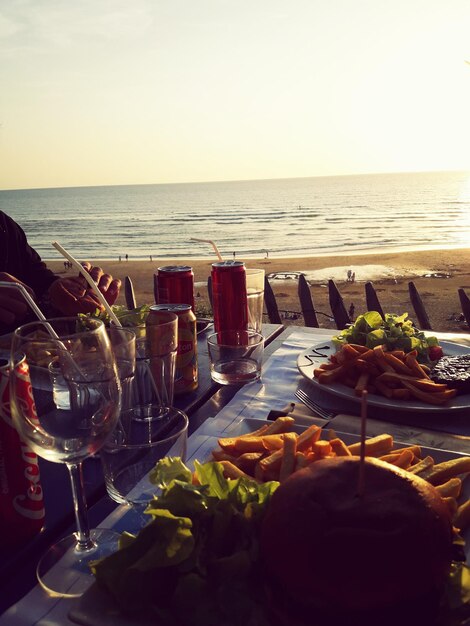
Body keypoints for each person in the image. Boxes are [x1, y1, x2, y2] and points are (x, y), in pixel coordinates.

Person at [0, 211, 121, 333]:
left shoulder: (5, 225)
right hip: (15, 344)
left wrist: (70, 293)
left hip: (29, 346)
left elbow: (37, 277)